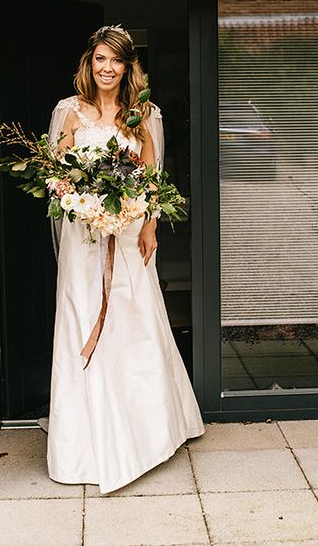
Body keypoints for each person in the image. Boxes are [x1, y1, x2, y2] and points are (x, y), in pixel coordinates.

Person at [45, 25, 204, 494]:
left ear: (128, 66)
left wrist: (149, 224)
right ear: (88, 63)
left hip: (131, 232)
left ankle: (147, 433)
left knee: (135, 320)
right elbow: (58, 176)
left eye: (115, 60)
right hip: (85, 238)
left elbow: (153, 177)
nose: (106, 68)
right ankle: (86, 445)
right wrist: (83, 204)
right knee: (82, 316)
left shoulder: (143, 114)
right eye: (99, 59)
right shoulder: (69, 112)